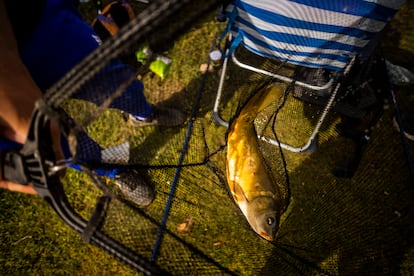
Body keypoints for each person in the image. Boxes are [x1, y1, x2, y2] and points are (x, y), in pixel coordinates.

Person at [0, 0, 185, 205]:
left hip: (36, 22)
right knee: (61, 148)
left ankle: (144, 114)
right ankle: (115, 171)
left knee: (118, 85)